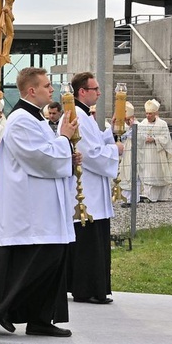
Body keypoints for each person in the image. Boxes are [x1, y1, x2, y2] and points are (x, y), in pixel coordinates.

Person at [0, 67, 79, 338]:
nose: (52, 90)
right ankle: (6, 312)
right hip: (30, 210)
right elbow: (40, 159)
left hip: (44, 208)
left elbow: (50, 155)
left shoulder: (37, 119)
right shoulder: (21, 120)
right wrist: (65, 139)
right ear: (31, 90)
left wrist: (67, 152)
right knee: (33, 266)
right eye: (47, 86)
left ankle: (40, 319)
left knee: (49, 264)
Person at [65, 72, 121, 305]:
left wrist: (112, 133)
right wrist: (115, 150)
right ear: (82, 92)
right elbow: (90, 154)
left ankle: (95, 288)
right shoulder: (75, 115)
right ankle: (86, 289)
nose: (99, 93)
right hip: (85, 189)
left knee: (94, 239)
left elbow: (96, 142)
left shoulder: (84, 115)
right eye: (95, 89)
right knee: (88, 242)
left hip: (94, 187)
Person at [138, 99, 172, 203]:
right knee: (148, 174)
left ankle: (161, 196)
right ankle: (148, 195)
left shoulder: (162, 124)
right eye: (146, 113)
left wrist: (155, 139)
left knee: (159, 174)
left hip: (158, 154)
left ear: (155, 113)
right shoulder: (142, 123)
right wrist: (143, 139)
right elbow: (138, 137)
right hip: (146, 153)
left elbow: (166, 139)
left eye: (150, 113)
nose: (148, 115)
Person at [119, 102, 140, 206]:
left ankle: (132, 200)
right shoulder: (127, 127)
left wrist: (132, 128)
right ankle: (126, 198)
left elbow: (140, 139)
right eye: (125, 120)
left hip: (134, 155)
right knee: (125, 174)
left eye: (128, 119)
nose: (126, 122)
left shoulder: (138, 126)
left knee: (132, 175)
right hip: (126, 155)